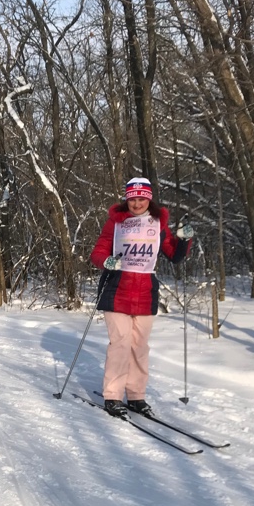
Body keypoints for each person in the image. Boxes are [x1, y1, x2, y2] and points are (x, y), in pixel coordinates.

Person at [90, 178, 193, 417]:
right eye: (133, 199)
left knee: (139, 347)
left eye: (142, 199)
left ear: (149, 199)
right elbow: (98, 251)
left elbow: (174, 255)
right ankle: (113, 396)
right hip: (116, 289)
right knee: (121, 343)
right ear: (127, 199)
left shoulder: (158, 224)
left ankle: (136, 396)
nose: (137, 203)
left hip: (145, 293)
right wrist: (106, 261)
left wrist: (184, 240)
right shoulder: (116, 223)